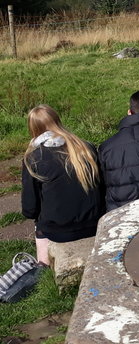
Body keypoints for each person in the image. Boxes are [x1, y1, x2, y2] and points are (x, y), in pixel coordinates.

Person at [21, 105, 104, 265]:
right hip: (94, 222)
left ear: (32, 128)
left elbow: (30, 209)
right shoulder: (86, 147)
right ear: (57, 121)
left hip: (58, 231)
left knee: (40, 224)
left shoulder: (34, 157)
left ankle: (43, 267)